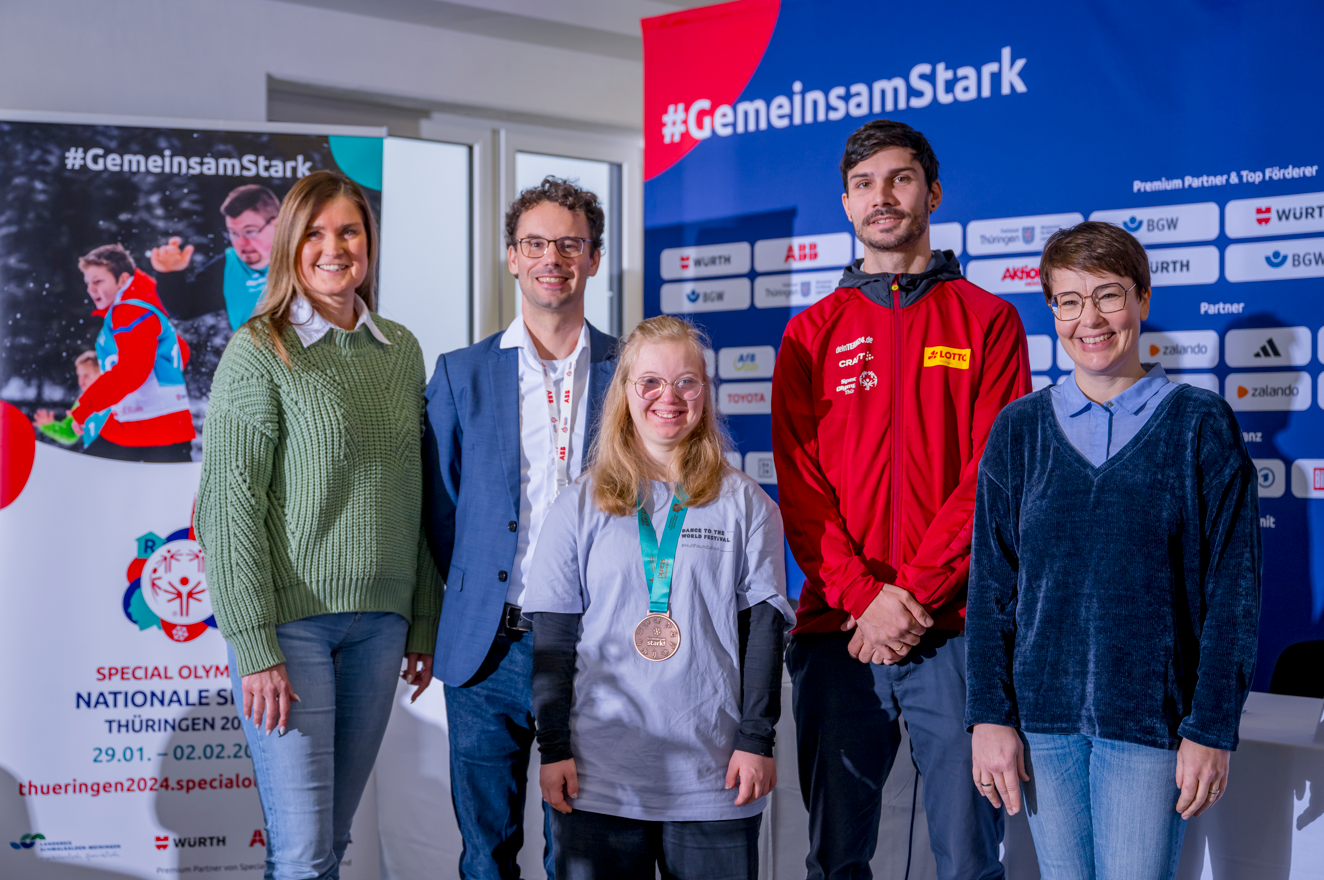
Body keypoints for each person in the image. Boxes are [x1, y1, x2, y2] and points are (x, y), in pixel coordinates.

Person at [771, 119, 1031, 880]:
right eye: (863, 184)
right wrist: (862, 598)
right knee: (835, 859)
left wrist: (909, 596)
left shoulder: (989, 322)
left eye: (899, 178)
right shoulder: (809, 335)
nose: (881, 197)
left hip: (953, 631)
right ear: (845, 204)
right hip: (838, 635)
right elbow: (801, 489)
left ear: (933, 191)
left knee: (968, 858)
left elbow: (991, 478)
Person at [966, 221, 1261, 880]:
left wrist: (1211, 727)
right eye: (1069, 301)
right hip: (1043, 729)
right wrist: (989, 718)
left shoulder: (1199, 424)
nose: (1089, 318)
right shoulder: (1018, 430)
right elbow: (990, 592)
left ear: (1142, 300)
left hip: (1150, 726)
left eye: (1108, 295)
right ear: (1052, 312)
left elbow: (1233, 597)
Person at [194, 170, 442, 880]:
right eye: (315, 233)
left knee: (329, 848)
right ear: (288, 246)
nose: (334, 248)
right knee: (303, 855)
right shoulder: (260, 349)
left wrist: (422, 617)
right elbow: (228, 503)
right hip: (289, 630)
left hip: (381, 627)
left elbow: (416, 489)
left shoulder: (401, 351)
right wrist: (254, 643)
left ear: (369, 242)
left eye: (350, 231)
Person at [525, 315, 795, 880]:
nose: (667, 398)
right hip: (600, 779)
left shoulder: (746, 504)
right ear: (624, 393)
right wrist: (552, 749)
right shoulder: (578, 506)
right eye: (649, 382)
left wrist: (756, 740)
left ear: (705, 391)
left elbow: (764, 633)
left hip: (715, 777)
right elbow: (553, 642)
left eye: (686, 382)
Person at [422, 176, 619, 879]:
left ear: (593, 258)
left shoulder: (631, 372)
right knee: (485, 849)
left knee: (582, 849)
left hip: (598, 648)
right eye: (535, 243)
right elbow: (440, 510)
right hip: (487, 650)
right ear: (511, 256)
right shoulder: (459, 374)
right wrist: (476, 593)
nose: (552, 258)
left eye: (570, 244)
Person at [73, 244, 196, 463]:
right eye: (88, 283)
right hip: (158, 427)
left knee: (84, 479)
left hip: (143, 430)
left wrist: (86, 407)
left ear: (122, 280)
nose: (91, 289)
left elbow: (132, 370)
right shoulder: (142, 306)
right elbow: (181, 350)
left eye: (98, 281)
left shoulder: (129, 311)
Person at [150, 183, 280, 330]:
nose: (241, 243)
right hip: (253, 351)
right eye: (233, 233)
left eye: (250, 231)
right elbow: (183, 309)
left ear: (277, 224)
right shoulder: (229, 266)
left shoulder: (303, 260)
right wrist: (169, 274)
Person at [33, 351, 108, 448]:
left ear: (102, 373)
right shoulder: (81, 401)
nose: (81, 381)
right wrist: (49, 426)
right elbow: (69, 434)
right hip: (92, 456)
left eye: (86, 375)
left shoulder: (119, 395)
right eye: (79, 375)